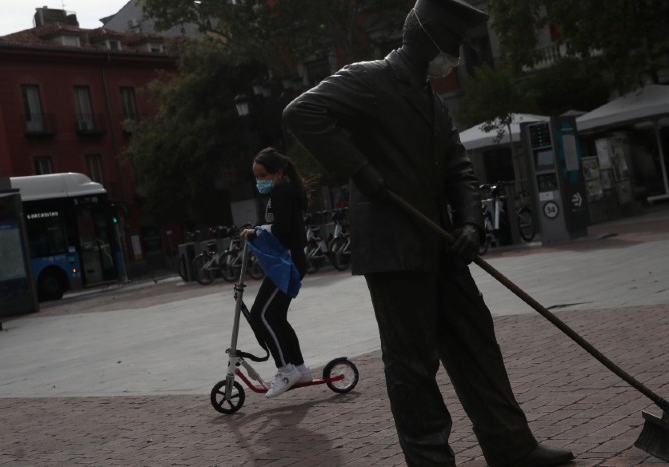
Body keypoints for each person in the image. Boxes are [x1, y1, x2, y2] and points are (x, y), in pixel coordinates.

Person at [282, 1, 574, 465]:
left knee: (477, 344)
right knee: (412, 366)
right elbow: (301, 112)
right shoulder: (369, 78)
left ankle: (512, 447)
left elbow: (460, 168)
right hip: (394, 249)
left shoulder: (433, 101)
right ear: (428, 38)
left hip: (442, 244)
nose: (455, 57)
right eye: (452, 45)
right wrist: (361, 169)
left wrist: (471, 223)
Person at [239, 147, 312, 398]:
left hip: (287, 263)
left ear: (278, 173)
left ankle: (285, 370)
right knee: (276, 317)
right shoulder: (279, 193)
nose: (259, 181)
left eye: (263, 175)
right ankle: (299, 368)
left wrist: (257, 231)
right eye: (256, 177)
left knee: (261, 315)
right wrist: (259, 230)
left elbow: (282, 228)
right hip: (287, 262)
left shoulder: (282, 193)